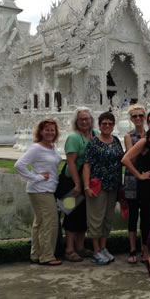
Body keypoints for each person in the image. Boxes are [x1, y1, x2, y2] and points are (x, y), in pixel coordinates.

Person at [121, 110, 150, 268]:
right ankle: (145, 250)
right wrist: (139, 175)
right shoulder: (143, 142)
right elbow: (125, 159)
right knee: (147, 218)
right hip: (147, 184)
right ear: (148, 124)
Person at [14, 119, 62, 265]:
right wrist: (36, 177)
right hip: (40, 190)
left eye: (52, 130)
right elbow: (19, 165)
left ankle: (35, 254)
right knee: (51, 222)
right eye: (46, 130)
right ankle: (47, 256)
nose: (50, 132)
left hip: (47, 189)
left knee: (40, 223)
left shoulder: (52, 147)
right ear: (40, 132)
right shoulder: (36, 148)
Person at [83, 112, 124, 265]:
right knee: (96, 218)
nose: (107, 126)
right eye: (104, 123)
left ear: (113, 125)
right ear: (99, 125)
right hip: (97, 186)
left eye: (110, 123)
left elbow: (122, 160)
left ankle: (103, 247)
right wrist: (86, 186)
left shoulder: (116, 141)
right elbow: (87, 165)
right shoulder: (93, 142)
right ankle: (96, 250)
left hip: (113, 185)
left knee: (108, 218)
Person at [62, 107, 97, 262]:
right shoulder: (74, 137)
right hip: (72, 181)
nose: (85, 122)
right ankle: (69, 249)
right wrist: (77, 184)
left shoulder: (94, 135)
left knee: (83, 214)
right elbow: (71, 163)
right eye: (81, 119)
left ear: (91, 120)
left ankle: (80, 247)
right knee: (71, 214)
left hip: (87, 181)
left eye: (87, 119)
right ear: (76, 121)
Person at [123, 105, 147, 264]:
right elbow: (130, 158)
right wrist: (144, 150)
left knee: (146, 216)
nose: (138, 119)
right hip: (133, 178)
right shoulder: (128, 136)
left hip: (147, 179)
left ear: (144, 117)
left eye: (140, 116)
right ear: (131, 119)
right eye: (135, 116)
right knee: (133, 215)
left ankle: (145, 248)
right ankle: (132, 248)